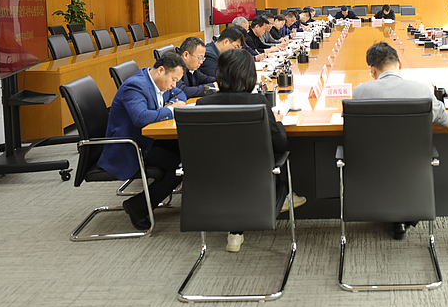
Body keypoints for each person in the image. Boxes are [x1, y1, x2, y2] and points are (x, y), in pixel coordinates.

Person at [196, 49, 306, 252]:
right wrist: (278, 123)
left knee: (232, 164)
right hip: (256, 179)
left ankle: (235, 234)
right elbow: (280, 144)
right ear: (249, 76)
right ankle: (282, 197)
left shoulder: (202, 104)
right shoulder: (258, 103)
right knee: (278, 157)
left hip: (214, 182)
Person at [352, 41, 448, 240]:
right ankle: (405, 214)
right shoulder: (422, 91)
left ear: (372, 70)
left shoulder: (360, 92)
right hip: (413, 164)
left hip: (371, 165)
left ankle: (394, 213)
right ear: (399, 64)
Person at [97, 52, 187, 230]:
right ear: (160, 70)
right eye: (173, 79)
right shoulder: (135, 86)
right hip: (129, 147)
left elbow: (180, 94)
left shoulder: (158, 82)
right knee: (182, 166)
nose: (174, 85)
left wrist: (172, 104)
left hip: (148, 140)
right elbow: (141, 117)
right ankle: (138, 207)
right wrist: (171, 110)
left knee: (188, 151)